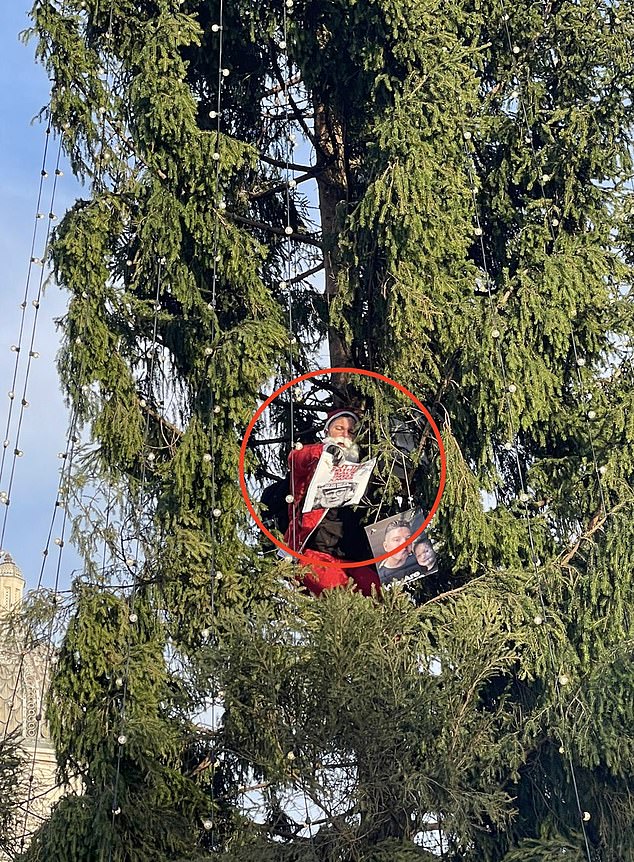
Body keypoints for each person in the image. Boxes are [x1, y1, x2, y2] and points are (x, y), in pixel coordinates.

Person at [283, 409, 380, 597]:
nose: (345, 435)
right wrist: (323, 451)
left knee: (379, 594)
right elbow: (295, 458)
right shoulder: (314, 458)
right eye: (339, 428)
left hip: (355, 557)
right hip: (314, 552)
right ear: (328, 431)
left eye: (351, 431)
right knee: (341, 596)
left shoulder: (365, 465)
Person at [377, 519, 437, 586]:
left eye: (408, 539)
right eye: (397, 540)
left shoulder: (421, 559)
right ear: (386, 546)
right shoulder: (381, 578)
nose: (404, 543)